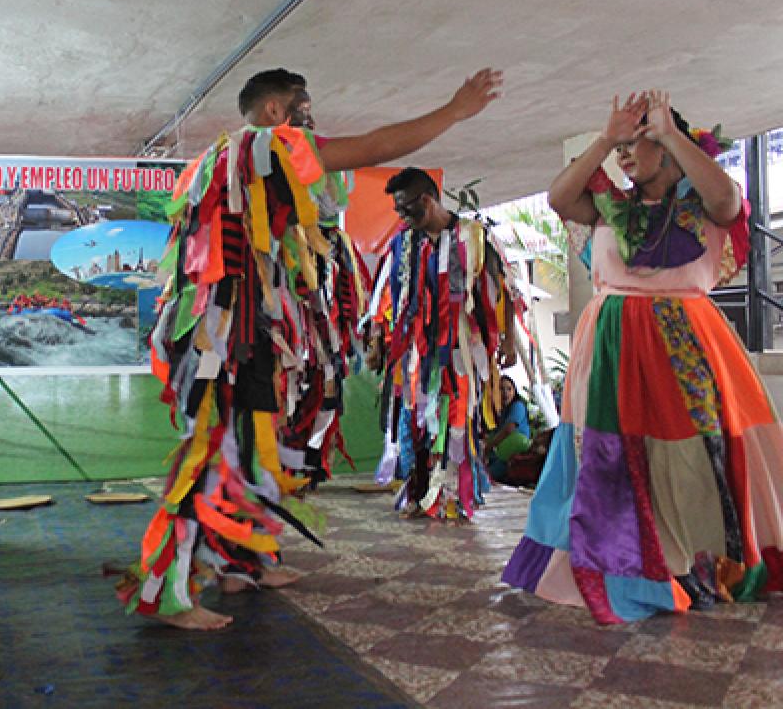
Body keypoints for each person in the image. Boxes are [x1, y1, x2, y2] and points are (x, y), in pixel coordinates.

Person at [118, 67, 503, 630]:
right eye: (304, 106)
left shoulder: (237, 160)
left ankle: (239, 563)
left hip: (242, 331)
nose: (311, 118)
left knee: (252, 453)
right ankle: (168, 592)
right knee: (210, 457)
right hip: (220, 337)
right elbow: (373, 147)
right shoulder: (262, 144)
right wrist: (453, 110)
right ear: (276, 111)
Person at [502, 91, 783, 624]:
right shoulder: (610, 205)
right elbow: (561, 198)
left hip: (688, 346)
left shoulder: (708, 207)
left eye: (637, 145)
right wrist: (607, 136)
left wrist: (671, 133)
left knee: (696, 454)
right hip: (611, 346)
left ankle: (697, 563)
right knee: (605, 454)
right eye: (621, 149)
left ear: (671, 149)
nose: (624, 157)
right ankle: (618, 559)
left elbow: (725, 198)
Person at [366, 168, 521, 523]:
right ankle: (419, 492)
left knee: (455, 423)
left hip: (462, 351)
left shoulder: (475, 238)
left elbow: (507, 292)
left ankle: (451, 495)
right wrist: (378, 339)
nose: (401, 217)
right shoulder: (404, 244)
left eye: (405, 209)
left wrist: (508, 340)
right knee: (413, 422)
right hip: (417, 353)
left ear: (426, 200)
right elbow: (386, 296)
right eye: (398, 211)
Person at [485, 375, 531, 484]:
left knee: (486, 475)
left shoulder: (518, 406)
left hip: (515, 456)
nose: (505, 392)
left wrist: (490, 445)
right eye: (501, 389)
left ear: (515, 391)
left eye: (509, 389)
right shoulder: (504, 411)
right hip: (505, 455)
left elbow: (509, 429)